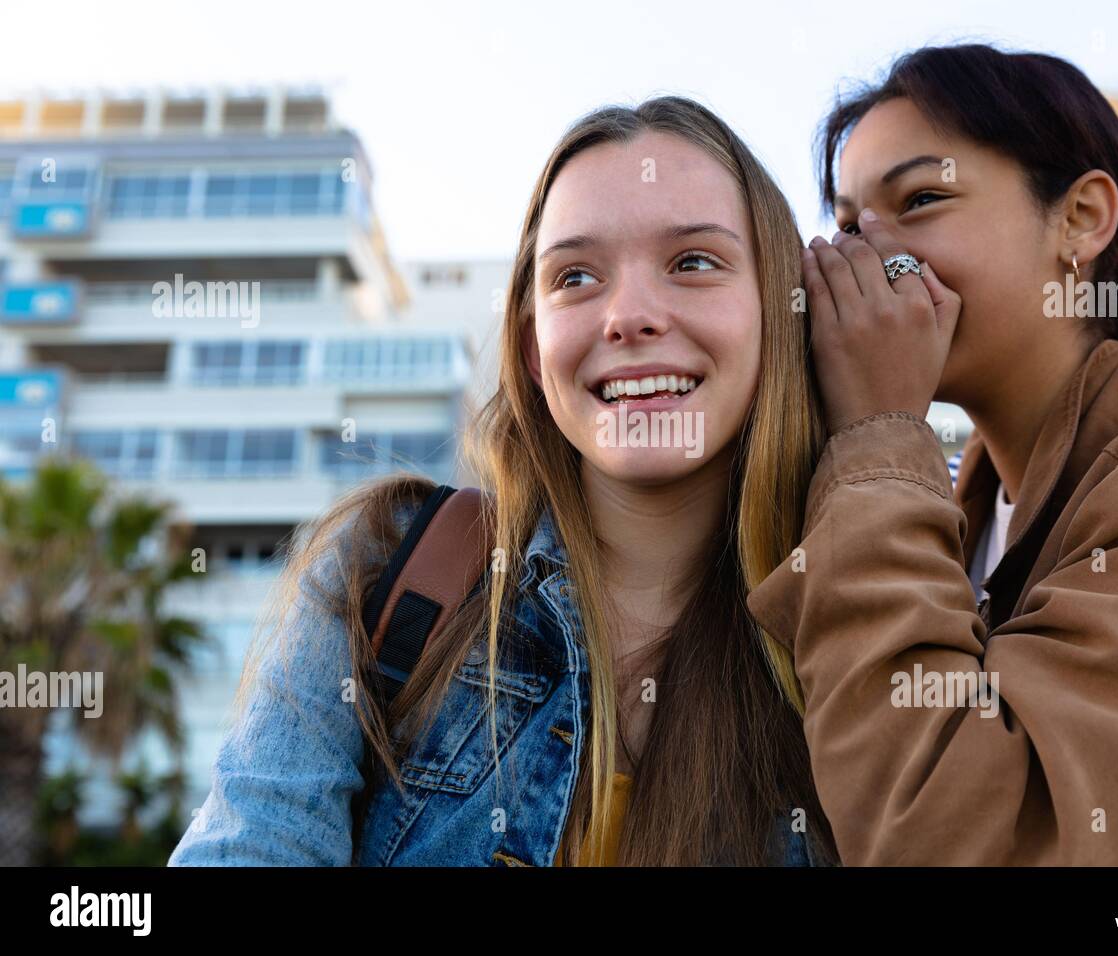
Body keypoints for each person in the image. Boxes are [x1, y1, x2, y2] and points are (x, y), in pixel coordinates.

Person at [170, 95, 837, 866]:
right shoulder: (382, 566)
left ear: (783, 311)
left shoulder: (852, 620)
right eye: (576, 277)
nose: (629, 315)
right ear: (531, 350)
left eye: (692, 262)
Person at [748, 43, 1118, 865]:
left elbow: (960, 837)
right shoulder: (959, 512)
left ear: (1081, 219)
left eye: (922, 199)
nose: (866, 254)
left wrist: (873, 437)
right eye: (850, 222)